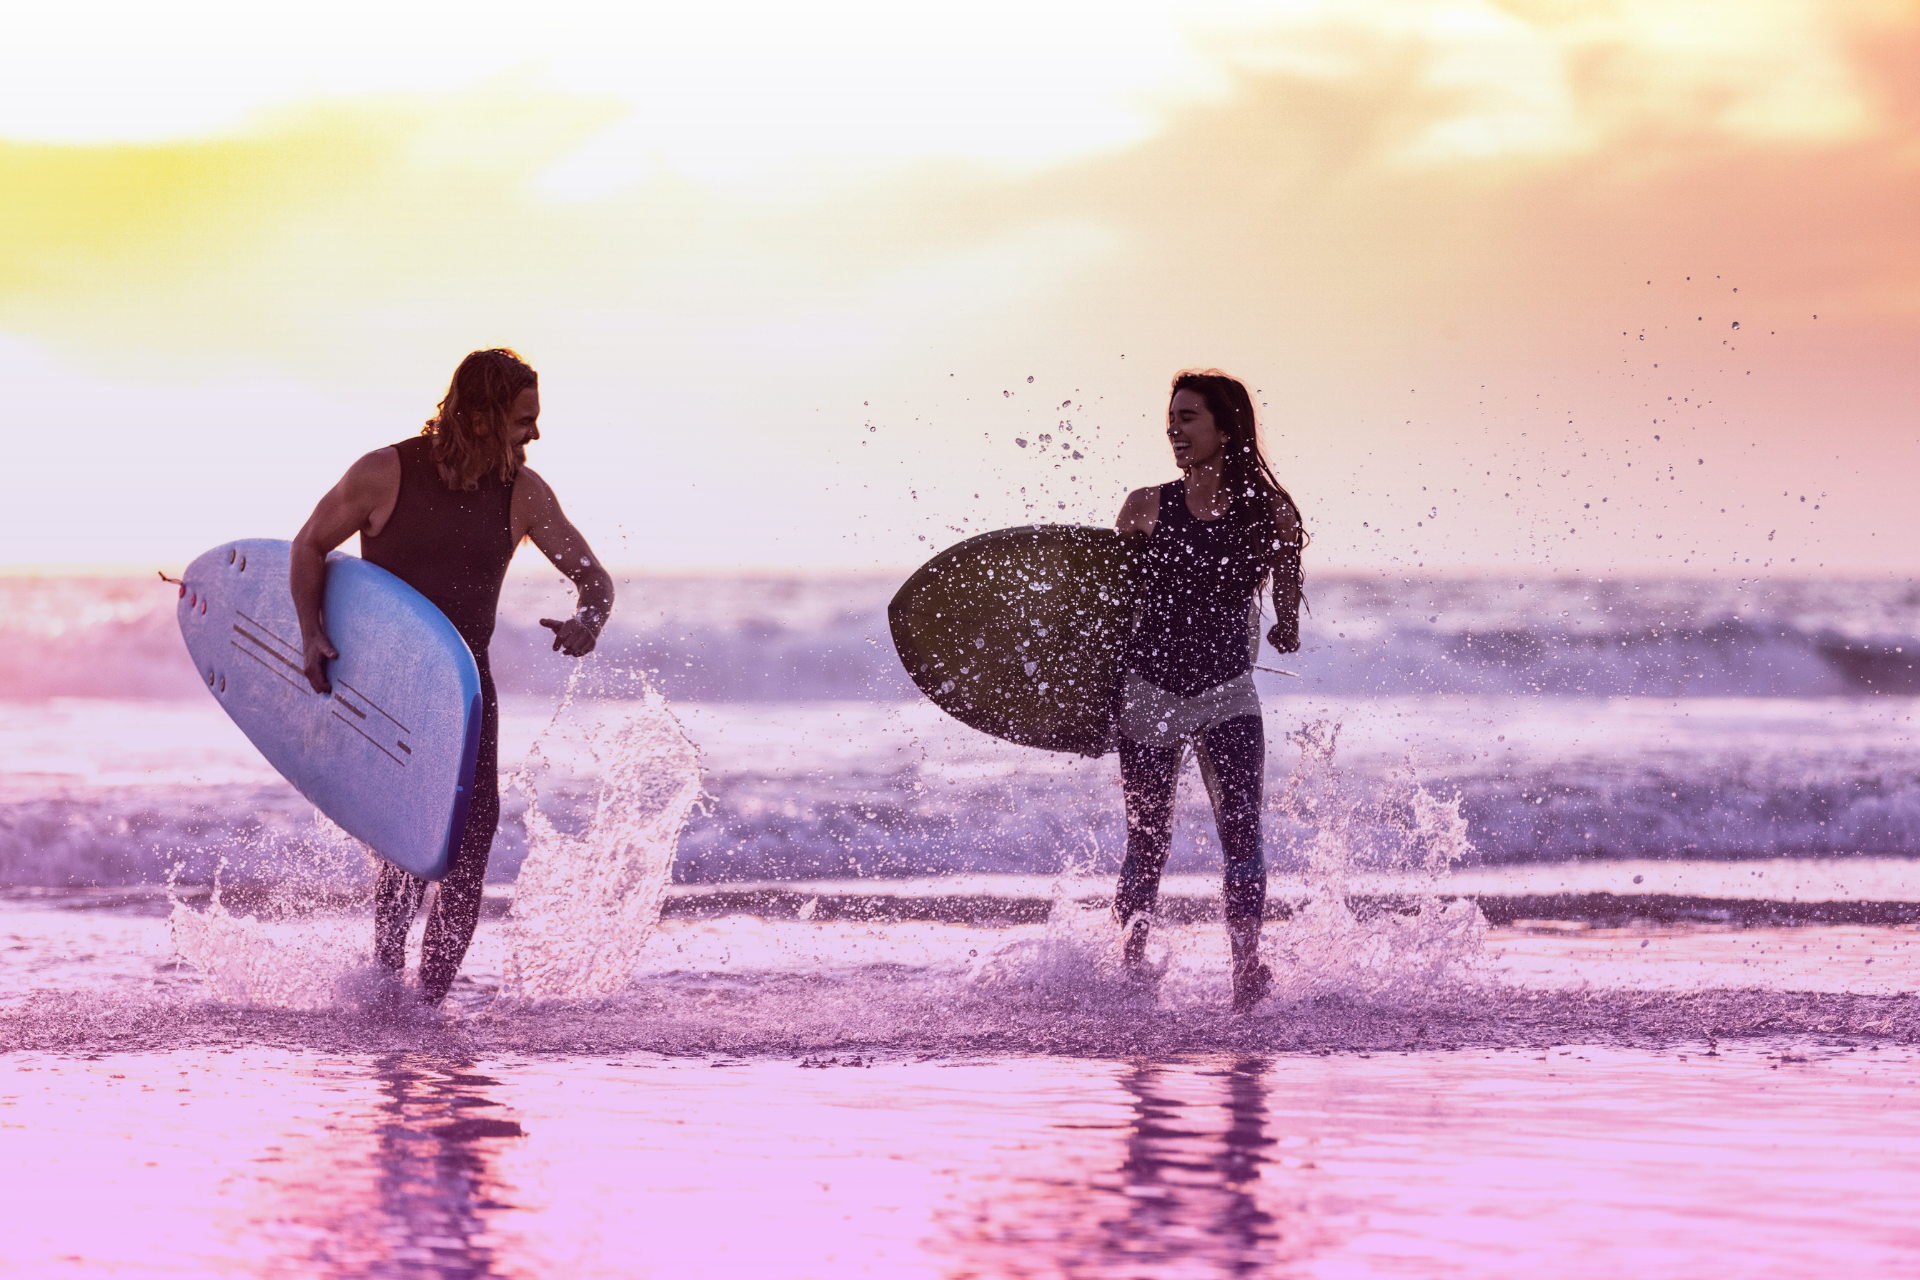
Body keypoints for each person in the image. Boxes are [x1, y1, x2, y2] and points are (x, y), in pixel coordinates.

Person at [290, 348, 614, 1005]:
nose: (535, 435)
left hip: (468, 700)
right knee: (406, 853)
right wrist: (310, 632)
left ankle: (428, 1005)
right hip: (391, 692)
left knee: (470, 855)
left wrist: (590, 620)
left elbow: (593, 578)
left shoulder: (523, 492)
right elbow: (308, 545)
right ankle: (385, 988)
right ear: (484, 415)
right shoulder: (384, 473)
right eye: (524, 420)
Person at [1113, 369, 1304, 1012]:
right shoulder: (1144, 507)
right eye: (1172, 420)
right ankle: (1129, 967)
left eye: (1189, 418)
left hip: (1226, 691)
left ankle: (1247, 969)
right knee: (1147, 839)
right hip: (1149, 691)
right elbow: (1106, 607)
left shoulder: (1268, 511)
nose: (1175, 430)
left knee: (1242, 834)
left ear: (1227, 426)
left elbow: (1287, 576)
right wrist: (1086, 702)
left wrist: (1286, 622)